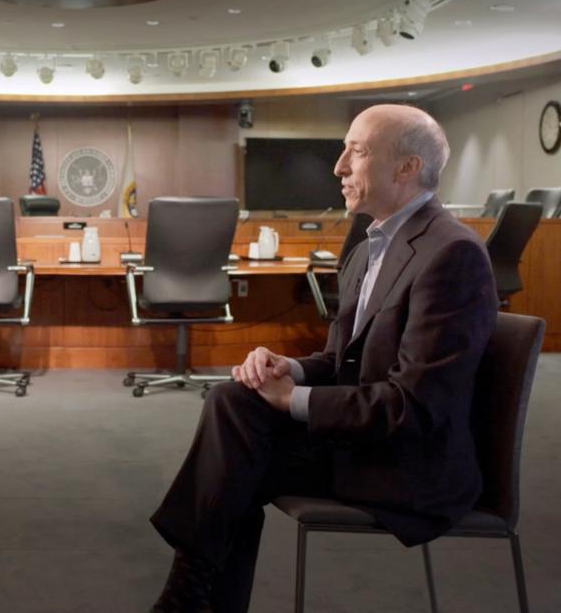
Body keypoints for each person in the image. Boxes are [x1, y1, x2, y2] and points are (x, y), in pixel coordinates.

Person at [149, 104, 498, 612]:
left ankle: (185, 596)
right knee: (234, 404)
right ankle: (190, 595)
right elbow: (341, 362)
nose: (338, 167)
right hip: (363, 442)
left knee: (235, 461)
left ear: (407, 168)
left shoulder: (452, 254)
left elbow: (414, 409)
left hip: (409, 466)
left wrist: (293, 400)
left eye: (355, 152)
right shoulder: (367, 247)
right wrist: (287, 369)